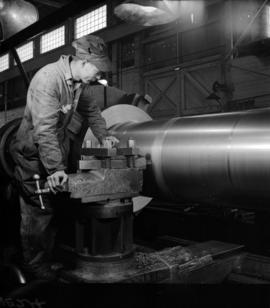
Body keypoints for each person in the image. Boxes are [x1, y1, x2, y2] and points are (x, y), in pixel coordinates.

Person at [10, 34, 118, 280]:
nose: (99, 76)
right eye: (98, 70)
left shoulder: (78, 84)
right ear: (82, 61)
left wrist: (104, 136)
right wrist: (56, 169)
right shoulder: (49, 80)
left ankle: (47, 257)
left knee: (56, 206)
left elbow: (91, 110)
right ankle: (34, 266)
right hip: (33, 156)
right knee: (39, 209)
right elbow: (44, 130)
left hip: (54, 152)